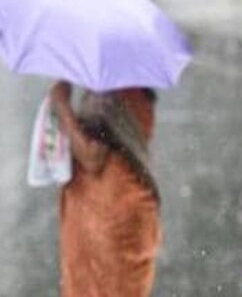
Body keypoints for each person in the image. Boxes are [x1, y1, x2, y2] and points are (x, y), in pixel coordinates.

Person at [50, 81, 161, 297]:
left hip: (105, 216)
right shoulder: (139, 94)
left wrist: (61, 104)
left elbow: (92, 157)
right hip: (131, 209)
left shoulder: (109, 94)